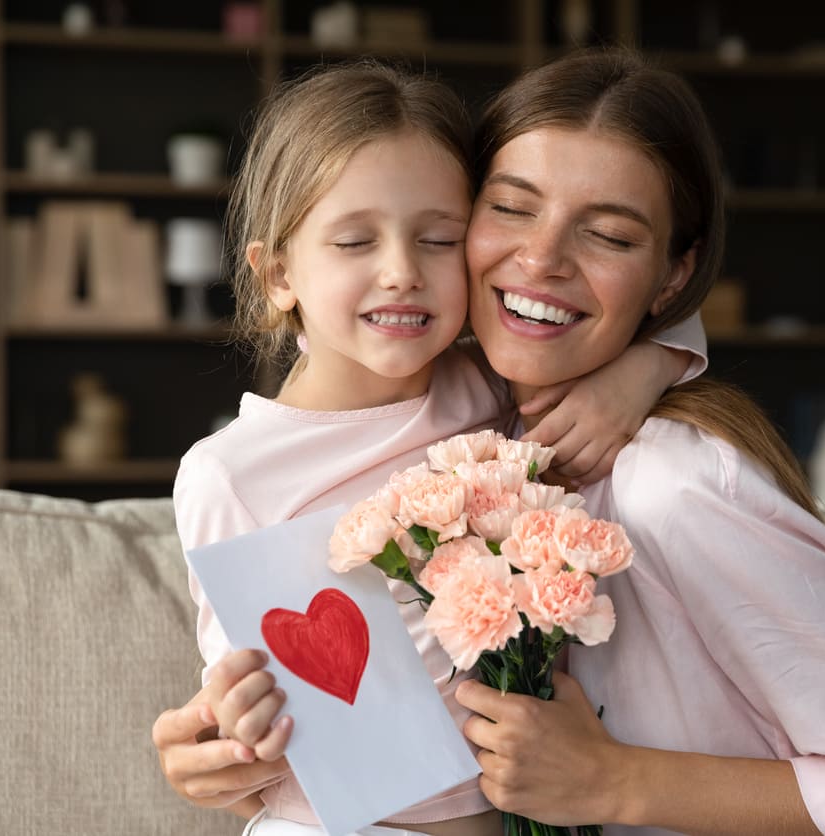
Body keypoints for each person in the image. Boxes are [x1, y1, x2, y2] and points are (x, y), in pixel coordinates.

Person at [447, 49, 825, 834]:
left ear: (674, 275)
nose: (541, 258)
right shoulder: (458, 430)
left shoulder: (675, 489)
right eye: (510, 208)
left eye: (609, 234)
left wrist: (614, 780)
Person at [162, 59, 707, 836]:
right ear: (279, 272)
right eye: (354, 241)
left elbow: (673, 307)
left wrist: (641, 371)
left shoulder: (490, 385)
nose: (401, 272)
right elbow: (245, 722)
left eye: (439, 239)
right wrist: (227, 743)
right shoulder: (230, 474)